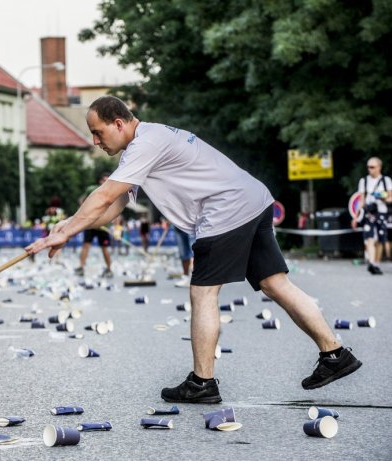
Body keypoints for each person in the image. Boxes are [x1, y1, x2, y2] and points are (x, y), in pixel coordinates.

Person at [26, 96, 361, 403]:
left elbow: (102, 195)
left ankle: (202, 383)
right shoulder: (141, 147)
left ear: (119, 123)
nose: (96, 142)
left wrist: (66, 230)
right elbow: (112, 205)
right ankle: (335, 354)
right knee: (276, 283)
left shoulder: (146, 143)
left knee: (203, 294)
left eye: (98, 133)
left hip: (226, 209)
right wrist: (68, 227)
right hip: (252, 198)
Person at [351, 157, 391, 275]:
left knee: (380, 240)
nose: (370, 169)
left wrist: (383, 197)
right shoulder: (364, 181)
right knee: (370, 238)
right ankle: (372, 262)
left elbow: (390, 198)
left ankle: (376, 264)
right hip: (369, 213)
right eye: (368, 167)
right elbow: (361, 200)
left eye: (372, 167)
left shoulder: (386, 180)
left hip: (382, 212)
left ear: (379, 167)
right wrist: (356, 216)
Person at [75, 173, 113, 278]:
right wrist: (85, 211)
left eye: (108, 180)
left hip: (103, 225)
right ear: (100, 181)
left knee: (104, 247)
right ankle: (81, 267)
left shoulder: (112, 191)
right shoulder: (92, 189)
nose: (106, 182)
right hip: (90, 223)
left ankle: (109, 269)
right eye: (104, 180)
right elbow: (81, 200)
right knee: (86, 245)